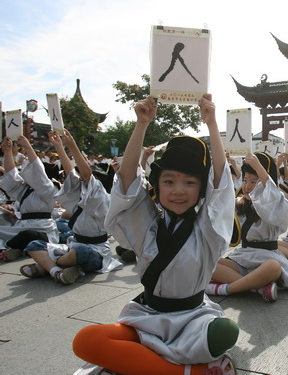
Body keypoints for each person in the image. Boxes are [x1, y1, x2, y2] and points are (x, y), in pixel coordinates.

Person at [72, 95, 238, 375]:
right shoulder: (147, 222)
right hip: (147, 316)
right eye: (169, 181)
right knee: (86, 341)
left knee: (224, 331)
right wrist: (141, 124)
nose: (178, 190)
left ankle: (144, 363)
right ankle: (187, 372)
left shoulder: (207, 228)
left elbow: (221, 184)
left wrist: (212, 125)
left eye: (189, 182)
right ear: (157, 186)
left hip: (192, 319)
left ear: (201, 189)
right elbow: (127, 182)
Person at [210, 152, 288, 299]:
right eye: (245, 180)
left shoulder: (276, 201)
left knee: (273, 267)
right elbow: (219, 195)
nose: (248, 186)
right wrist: (220, 164)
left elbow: (271, 192)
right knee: (210, 263)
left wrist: (258, 166)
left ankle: (227, 288)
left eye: (253, 182)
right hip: (244, 255)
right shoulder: (240, 204)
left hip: (267, 255)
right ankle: (256, 288)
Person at [18, 130, 122, 284]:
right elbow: (72, 173)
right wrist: (60, 146)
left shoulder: (101, 196)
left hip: (95, 250)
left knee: (79, 253)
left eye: (94, 177)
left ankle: (47, 266)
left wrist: (72, 146)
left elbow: (86, 174)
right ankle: (56, 271)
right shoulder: (84, 194)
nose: (85, 179)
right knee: (34, 245)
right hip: (73, 244)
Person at [0, 136, 59, 262]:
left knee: (28, 235)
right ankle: (14, 248)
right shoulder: (24, 190)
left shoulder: (48, 188)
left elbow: (37, 170)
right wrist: (8, 152)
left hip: (42, 228)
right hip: (22, 225)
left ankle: (10, 248)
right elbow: (11, 176)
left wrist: (27, 146)